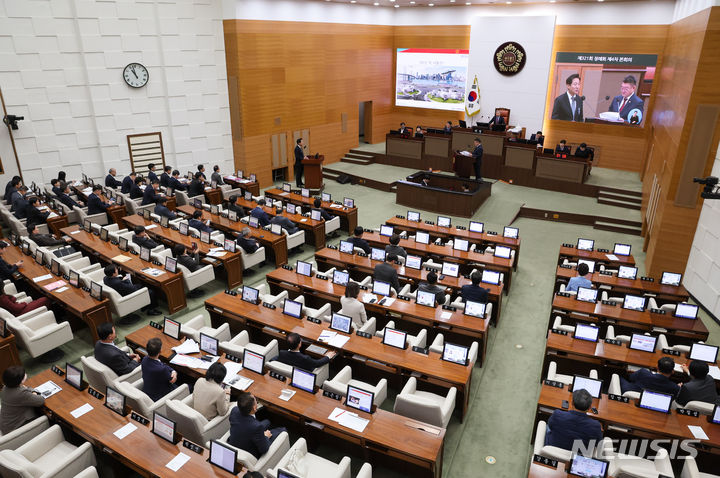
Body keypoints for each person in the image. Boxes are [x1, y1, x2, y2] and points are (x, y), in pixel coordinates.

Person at [228, 392, 287, 459]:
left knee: (267, 422)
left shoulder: (234, 410)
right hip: (250, 453)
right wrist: (266, 436)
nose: (256, 400)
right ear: (254, 408)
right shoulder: (256, 427)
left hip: (237, 441)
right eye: (255, 399)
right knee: (282, 430)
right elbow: (264, 449)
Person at [0, 366, 45, 435]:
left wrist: (27, 390)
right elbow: (41, 401)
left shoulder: (5, 387)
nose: (25, 374)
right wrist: (33, 392)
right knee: (45, 415)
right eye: (23, 375)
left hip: (6, 424)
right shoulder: (20, 393)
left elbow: (24, 389)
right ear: (19, 381)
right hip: (15, 428)